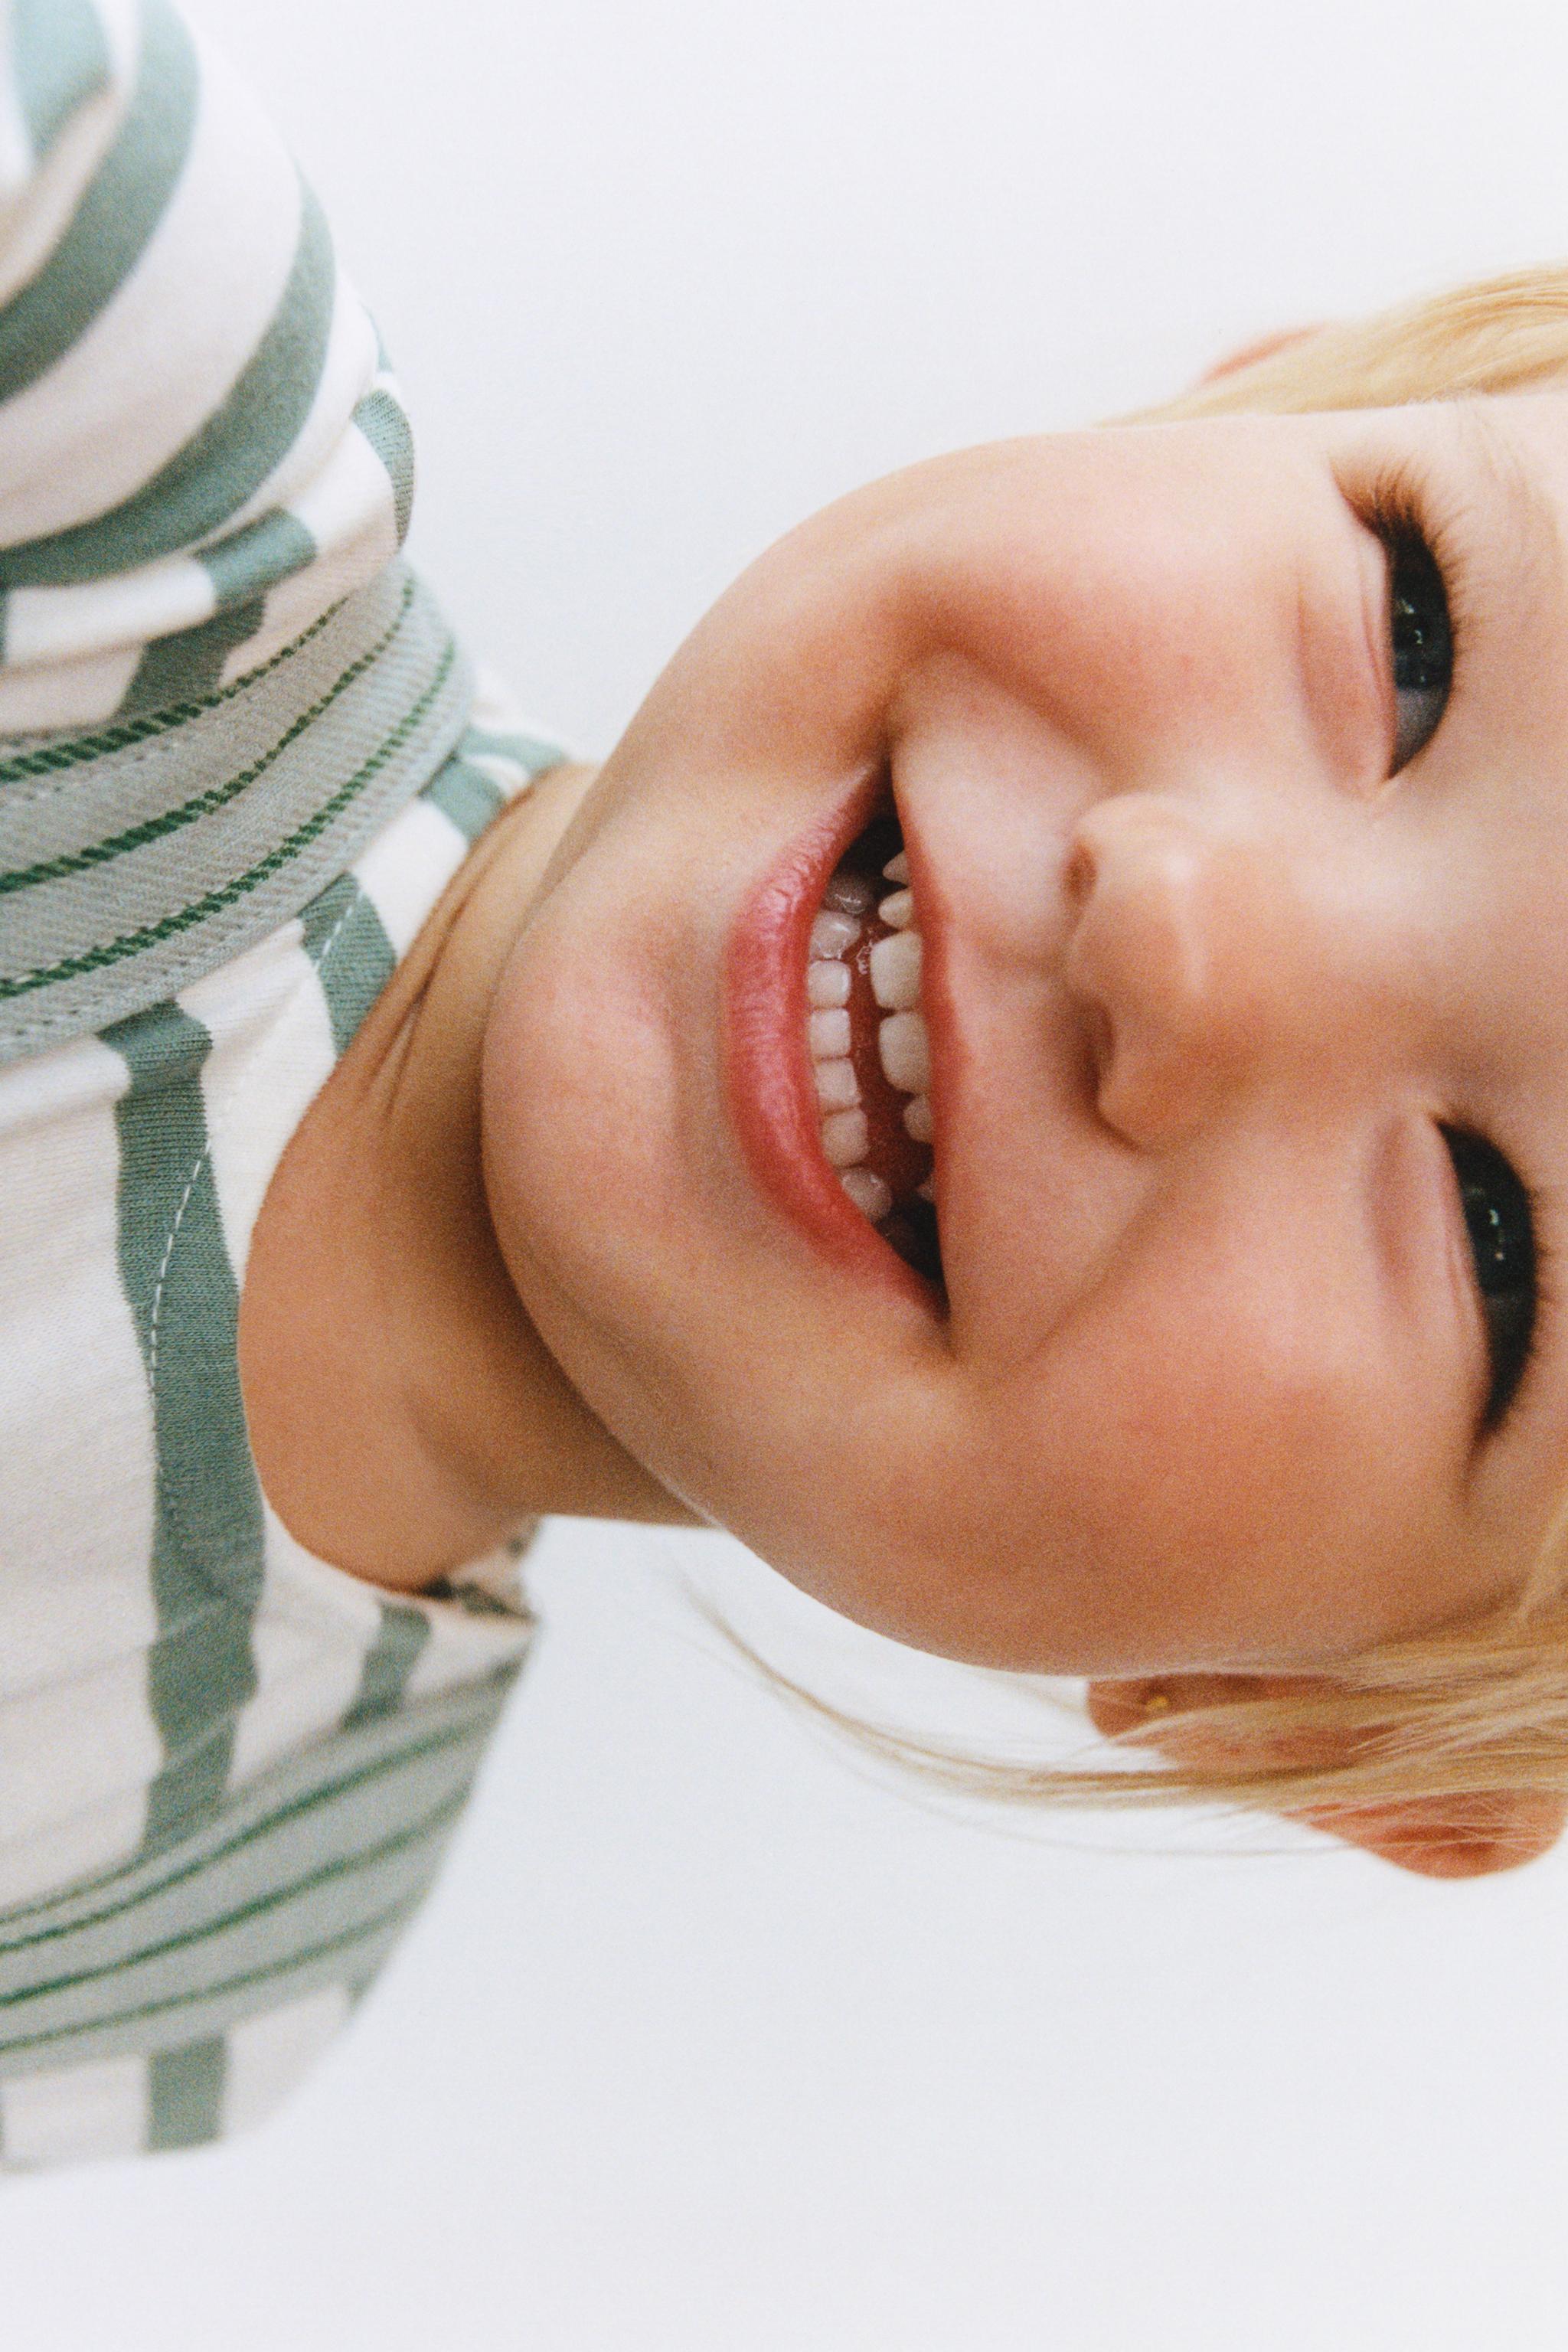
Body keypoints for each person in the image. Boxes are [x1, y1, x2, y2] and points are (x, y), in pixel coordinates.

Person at [4, 0, 1568, 2169]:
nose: (1185, 936)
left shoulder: (226, 1939)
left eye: (1498, 1238)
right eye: (1416, 633)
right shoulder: (102, 382)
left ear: (1314, 1723)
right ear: (1233, 406)